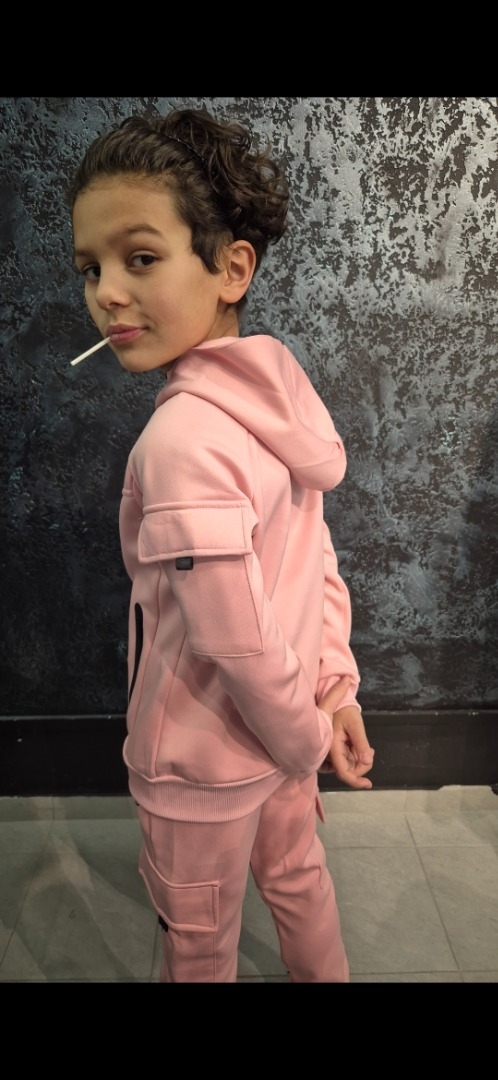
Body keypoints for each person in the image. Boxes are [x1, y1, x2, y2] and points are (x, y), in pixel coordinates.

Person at [68, 105, 374, 983]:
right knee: (300, 882)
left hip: (201, 762)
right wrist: (331, 691)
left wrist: (303, 735)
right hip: (290, 725)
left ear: (232, 268)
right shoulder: (282, 400)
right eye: (91, 268)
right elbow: (315, 559)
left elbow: (233, 639)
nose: (106, 293)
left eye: (140, 258)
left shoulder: (180, 443)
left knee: (198, 943)